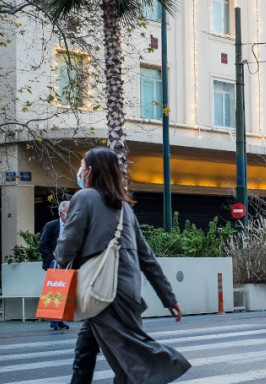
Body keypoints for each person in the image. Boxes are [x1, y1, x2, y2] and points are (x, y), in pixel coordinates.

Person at [56, 148, 191, 383]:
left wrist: (59, 252)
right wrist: (168, 298)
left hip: (100, 291)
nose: (80, 170)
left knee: (130, 362)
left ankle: (172, 362)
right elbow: (146, 257)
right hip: (124, 292)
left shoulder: (84, 198)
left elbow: (66, 249)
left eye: (82, 165)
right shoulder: (124, 208)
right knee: (86, 351)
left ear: (90, 170)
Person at [38, 200, 70, 330]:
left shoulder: (73, 226)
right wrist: (51, 259)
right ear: (61, 213)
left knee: (65, 292)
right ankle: (53, 320)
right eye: (68, 211)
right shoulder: (51, 225)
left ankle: (60, 319)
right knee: (54, 290)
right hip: (55, 262)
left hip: (68, 262)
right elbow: (43, 243)